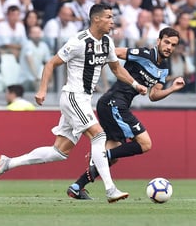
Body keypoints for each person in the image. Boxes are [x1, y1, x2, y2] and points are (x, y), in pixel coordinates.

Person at [0, 4, 148, 203]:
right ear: (96, 19)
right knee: (99, 135)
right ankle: (110, 189)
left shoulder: (107, 42)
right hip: (73, 96)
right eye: (108, 17)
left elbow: (116, 69)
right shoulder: (79, 41)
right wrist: (42, 89)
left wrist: (135, 83)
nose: (112, 21)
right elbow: (51, 63)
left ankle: (8, 163)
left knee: (59, 152)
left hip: (84, 99)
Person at [66, 27, 185, 200]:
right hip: (114, 103)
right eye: (166, 42)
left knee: (113, 157)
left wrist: (172, 88)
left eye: (173, 45)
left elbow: (153, 95)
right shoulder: (144, 54)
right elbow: (115, 53)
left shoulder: (164, 68)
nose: (169, 47)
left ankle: (77, 186)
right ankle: (100, 155)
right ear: (158, 41)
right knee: (145, 144)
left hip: (114, 106)